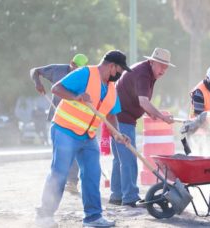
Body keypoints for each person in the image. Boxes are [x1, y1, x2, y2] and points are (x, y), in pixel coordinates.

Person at [35, 50, 131, 227]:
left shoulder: (111, 88)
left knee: (92, 175)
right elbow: (56, 88)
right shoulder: (85, 73)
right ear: (112, 66)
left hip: (88, 136)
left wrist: (117, 134)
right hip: (65, 129)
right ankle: (44, 217)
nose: (120, 74)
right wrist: (76, 97)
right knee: (59, 173)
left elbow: (110, 115)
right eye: (120, 70)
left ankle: (93, 218)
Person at [108, 47, 175, 207]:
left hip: (118, 116)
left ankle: (117, 195)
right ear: (152, 62)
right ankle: (130, 197)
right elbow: (143, 101)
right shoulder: (144, 74)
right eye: (161, 66)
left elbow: (140, 100)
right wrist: (161, 116)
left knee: (120, 159)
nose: (163, 70)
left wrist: (154, 114)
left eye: (166, 67)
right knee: (129, 158)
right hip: (122, 118)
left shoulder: (147, 72)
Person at [30, 53, 89, 194]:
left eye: (79, 68)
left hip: (74, 119)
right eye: (74, 66)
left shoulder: (85, 76)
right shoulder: (57, 70)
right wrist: (37, 83)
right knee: (59, 151)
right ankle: (56, 183)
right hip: (57, 117)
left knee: (73, 149)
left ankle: (72, 182)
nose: (76, 70)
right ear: (71, 63)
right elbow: (34, 71)